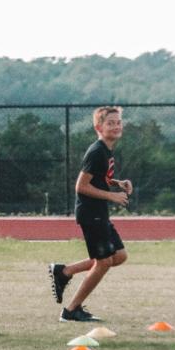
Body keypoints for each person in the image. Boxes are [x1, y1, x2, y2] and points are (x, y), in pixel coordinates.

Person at [49, 106, 131, 322]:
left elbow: (99, 178)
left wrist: (117, 183)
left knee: (119, 256)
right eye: (110, 123)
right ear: (98, 127)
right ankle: (71, 311)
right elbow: (81, 186)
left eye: (118, 122)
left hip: (99, 213)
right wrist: (112, 196)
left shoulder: (106, 150)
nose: (116, 126)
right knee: (103, 262)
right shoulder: (96, 151)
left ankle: (65, 272)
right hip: (91, 214)